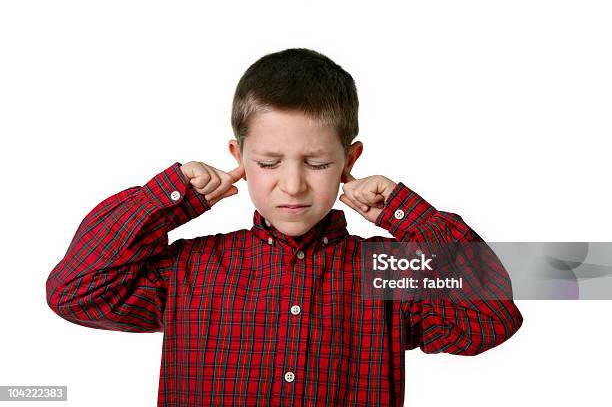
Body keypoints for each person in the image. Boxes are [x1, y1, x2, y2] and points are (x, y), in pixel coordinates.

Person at [46, 47, 523, 406]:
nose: (292, 186)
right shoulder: (190, 269)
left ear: (349, 160)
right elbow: (76, 292)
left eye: (316, 162)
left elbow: (491, 318)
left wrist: (407, 216)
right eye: (269, 162)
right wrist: (166, 200)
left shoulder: (387, 272)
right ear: (239, 159)